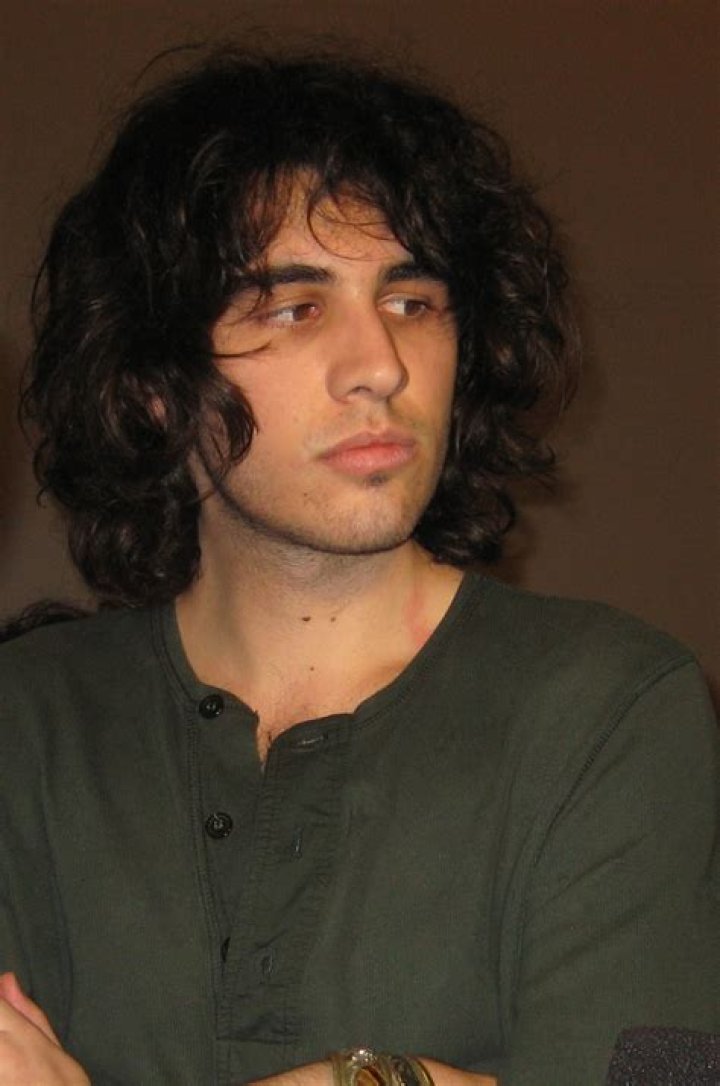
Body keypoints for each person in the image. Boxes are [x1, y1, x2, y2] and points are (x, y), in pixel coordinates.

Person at [0, 47, 717, 1086]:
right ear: (157, 385)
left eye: (413, 301)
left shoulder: (611, 707)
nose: (380, 364)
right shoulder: (26, 724)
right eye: (294, 308)